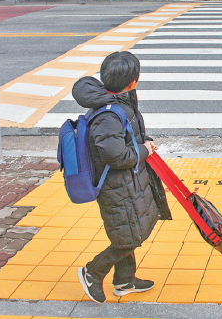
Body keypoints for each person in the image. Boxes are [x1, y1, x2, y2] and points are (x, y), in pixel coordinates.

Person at [72, 51, 171, 304]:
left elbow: (125, 136)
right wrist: (143, 150)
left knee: (130, 230)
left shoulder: (120, 99)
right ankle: (93, 272)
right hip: (115, 184)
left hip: (128, 180)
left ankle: (124, 280)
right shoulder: (109, 114)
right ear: (133, 81)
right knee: (129, 236)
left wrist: (143, 142)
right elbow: (115, 155)